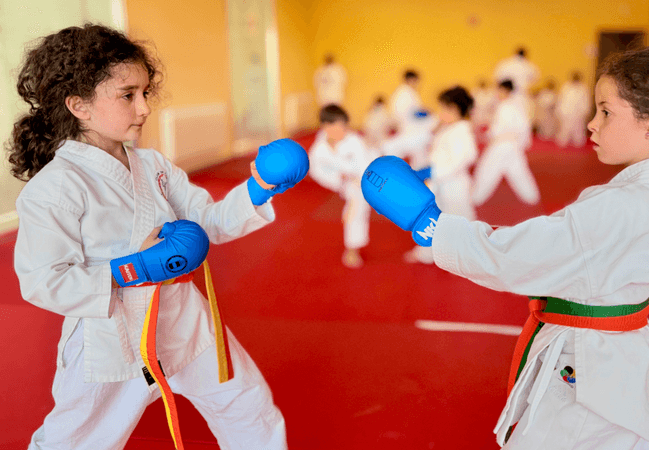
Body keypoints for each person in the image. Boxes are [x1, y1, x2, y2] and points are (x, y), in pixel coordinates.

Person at [361, 46, 649, 449]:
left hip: (588, 368)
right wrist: (615, 292)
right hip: (630, 351)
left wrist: (432, 227)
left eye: (606, 112)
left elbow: (518, 257)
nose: (592, 124)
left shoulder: (619, 206)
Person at [7, 25, 306, 450]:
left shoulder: (153, 165)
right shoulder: (56, 186)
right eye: (128, 95)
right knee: (75, 441)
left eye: (146, 92)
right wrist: (133, 268)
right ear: (79, 106)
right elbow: (43, 281)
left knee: (247, 405)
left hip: (185, 319)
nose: (144, 107)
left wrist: (260, 187)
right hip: (114, 336)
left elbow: (208, 220)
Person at [404, 86, 478, 264]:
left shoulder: (462, 131)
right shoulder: (449, 128)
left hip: (454, 186)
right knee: (434, 219)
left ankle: (473, 254)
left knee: (461, 221)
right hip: (440, 183)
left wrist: (432, 171)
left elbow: (465, 157)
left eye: (443, 108)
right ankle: (427, 253)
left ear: (453, 109)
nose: (440, 112)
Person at [308, 104, 376, 268]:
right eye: (337, 127)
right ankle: (352, 246)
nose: (342, 131)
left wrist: (358, 180)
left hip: (370, 172)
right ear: (325, 126)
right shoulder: (318, 149)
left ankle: (352, 249)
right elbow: (316, 172)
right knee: (355, 204)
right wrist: (340, 178)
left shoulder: (354, 141)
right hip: (344, 181)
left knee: (357, 206)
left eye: (343, 126)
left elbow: (364, 167)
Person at [472, 80, 540, 206]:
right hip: (512, 145)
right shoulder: (514, 106)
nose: (496, 93)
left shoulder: (506, 107)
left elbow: (498, 130)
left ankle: (475, 197)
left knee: (486, 170)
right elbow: (524, 127)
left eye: (498, 90)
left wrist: (488, 134)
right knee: (518, 172)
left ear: (504, 90)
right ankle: (532, 197)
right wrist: (522, 143)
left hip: (502, 145)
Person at [382, 69, 437, 169]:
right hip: (411, 128)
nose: (417, 84)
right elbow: (414, 113)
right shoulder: (407, 93)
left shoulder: (399, 93)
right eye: (416, 81)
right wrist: (428, 112)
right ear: (412, 80)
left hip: (406, 128)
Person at [494, 47, 539, 118]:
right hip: (521, 98)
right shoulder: (529, 66)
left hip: (506, 96)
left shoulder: (505, 64)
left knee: (505, 118)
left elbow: (497, 79)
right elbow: (535, 79)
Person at [555, 71, 592, 148]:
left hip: (578, 113)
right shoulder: (566, 86)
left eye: (577, 76)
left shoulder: (583, 88)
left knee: (579, 128)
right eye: (574, 76)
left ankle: (578, 141)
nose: (575, 77)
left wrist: (586, 111)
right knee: (565, 127)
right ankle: (563, 140)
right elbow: (561, 99)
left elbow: (586, 100)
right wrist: (559, 110)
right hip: (566, 111)